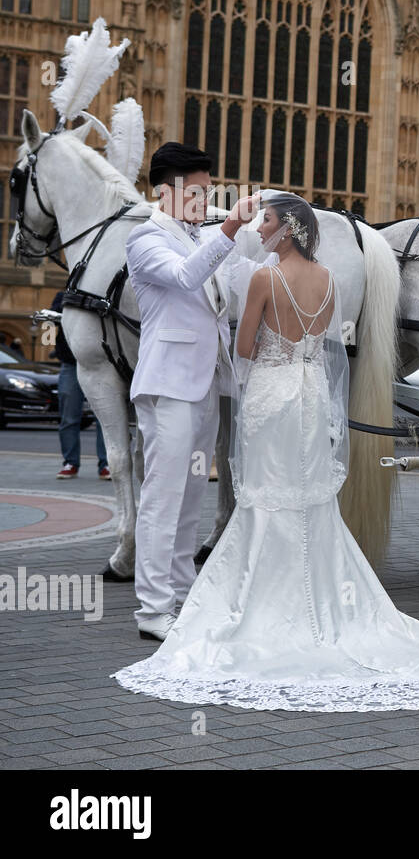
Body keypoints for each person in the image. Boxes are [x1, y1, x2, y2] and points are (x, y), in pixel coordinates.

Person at [113, 194, 419, 711]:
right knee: (308, 495)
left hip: (271, 394)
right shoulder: (330, 281)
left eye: (266, 221)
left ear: (287, 230)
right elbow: (333, 347)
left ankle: (258, 596)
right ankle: (319, 593)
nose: (259, 227)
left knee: (266, 495)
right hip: (313, 392)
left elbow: (245, 347)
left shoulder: (262, 278)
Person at [122, 142, 258, 640]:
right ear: (166, 190)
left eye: (208, 189)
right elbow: (184, 277)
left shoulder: (198, 236)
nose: (206, 198)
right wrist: (228, 231)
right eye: (197, 190)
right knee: (163, 496)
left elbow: (231, 293)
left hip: (207, 382)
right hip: (169, 384)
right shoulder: (145, 238)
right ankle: (152, 610)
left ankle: (182, 593)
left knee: (191, 496)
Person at [50, 291, 109, 480]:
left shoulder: (100, 291)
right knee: (68, 417)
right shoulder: (62, 296)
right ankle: (70, 463)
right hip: (70, 364)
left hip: (97, 364)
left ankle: (106, 463)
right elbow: (53, 318)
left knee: (105, 418)